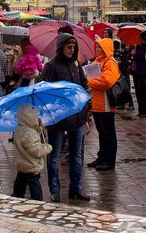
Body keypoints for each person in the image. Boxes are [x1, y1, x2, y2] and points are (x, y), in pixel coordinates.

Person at [41, 33, 90, 203]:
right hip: (58, 118)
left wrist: (85, 107)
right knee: (54, 155)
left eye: (73, 46)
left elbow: (84, 85)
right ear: (61, 47)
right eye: (68, 46)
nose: (71, 49)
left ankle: (75, 188)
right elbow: (45, 92)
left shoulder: (77, 65)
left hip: (77, 117)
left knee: (76, 155)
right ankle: (54, 190)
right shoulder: (51, 66)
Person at [86, 37, 121, 171]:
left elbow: (107, 82)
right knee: (102, 132)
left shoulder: (110, 62)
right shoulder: (97, 61)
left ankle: (109, 160)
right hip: (97, 102)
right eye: (97, 47)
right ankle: (102, 156)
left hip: (106, 103)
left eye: (100, 47)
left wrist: (89, 81)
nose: (98, 49)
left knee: (108, 132)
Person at [12, 104, 53, 202]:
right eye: (36, 117)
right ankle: (37, 199)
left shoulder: (20, 129)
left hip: (22, 164)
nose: (38, 119)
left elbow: (28, 143)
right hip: (31, 164)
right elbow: (36, 150)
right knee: (34, 184)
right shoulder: (29, 133)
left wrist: (38, 131)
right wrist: (47, 147)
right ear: (30, 118)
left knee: (20, 181)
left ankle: (17, 196)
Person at [131, 41, 146, 118]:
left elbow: (143, 56)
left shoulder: (145, 47)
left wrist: (135, 54)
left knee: (142, 91)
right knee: (138, 91)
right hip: (135, 71)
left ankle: (144, 110)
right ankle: (140, 110)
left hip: (143, 72)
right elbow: (130, 57)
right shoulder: (136, 46)